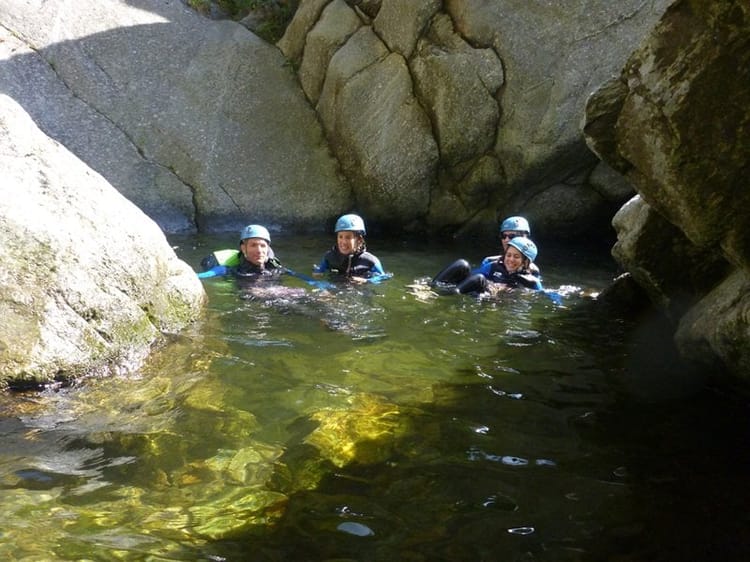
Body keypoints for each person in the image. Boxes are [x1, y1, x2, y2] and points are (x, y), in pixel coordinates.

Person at [432, 237, 543, 295]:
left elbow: (544, 293)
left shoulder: (531, 282)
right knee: (462, 264)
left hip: (492, 298)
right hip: (475, 288)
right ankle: (430, 288)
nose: (510, 260)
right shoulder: (493, 266)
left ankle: (439, 295)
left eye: (516, 257)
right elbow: (473, 275)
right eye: (508, 255)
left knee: (479, 279)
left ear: (526, 262)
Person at [312, 214, 389, 283]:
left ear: (359, 240)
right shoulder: (329, 257)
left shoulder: (370, 261)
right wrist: (317, 272)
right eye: (340, 237)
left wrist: (366, 281)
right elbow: (319, 271)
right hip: (335, 287)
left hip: (359, 290)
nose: (343, 241)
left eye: (348, 237)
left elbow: (383, 278)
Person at [198, 224, 283, 280]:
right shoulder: (228, 270)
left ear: (268, 248)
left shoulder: (273, 267)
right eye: (253, 245)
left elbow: (295, 275)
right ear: (243, 248)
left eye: (263, 246)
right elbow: (198, 276)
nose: (259, 251)